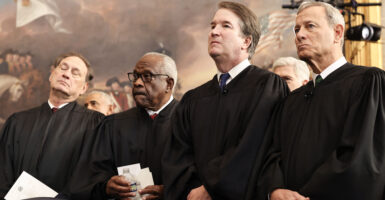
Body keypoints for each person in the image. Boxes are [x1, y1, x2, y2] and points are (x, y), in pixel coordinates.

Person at [256, 1, 385, 200]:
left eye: (310, 26)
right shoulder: (291, 101)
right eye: (297, 29)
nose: (299, 35)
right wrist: (275, 190)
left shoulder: (368, 82)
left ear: (337, 32)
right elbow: (274, 154)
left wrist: (305, 196)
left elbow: (362, 159)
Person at [161, 1, 288, 200]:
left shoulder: (266, 86)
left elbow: (253, 146)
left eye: (225, 26)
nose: (214, 32)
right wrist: (191, 190)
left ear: (246, 41)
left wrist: (210, 188)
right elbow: (177, 156)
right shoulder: (193, 99)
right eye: (212, 26)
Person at [70, 52, 178, 200]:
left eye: (147, 76)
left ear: (168, 84)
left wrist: (172, 192)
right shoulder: (112, 125)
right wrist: (106, 187)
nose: (137, 83)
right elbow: (89, 177)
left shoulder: (190, 120)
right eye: (135, 76)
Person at [0, 52, 104, 198]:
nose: (66, 74)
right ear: (51, 76)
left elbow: (92, 180)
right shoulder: (17, 122)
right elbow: (2, 174)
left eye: (75, 73)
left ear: (84, 88)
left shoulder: (96, 125)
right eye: (63, 68)